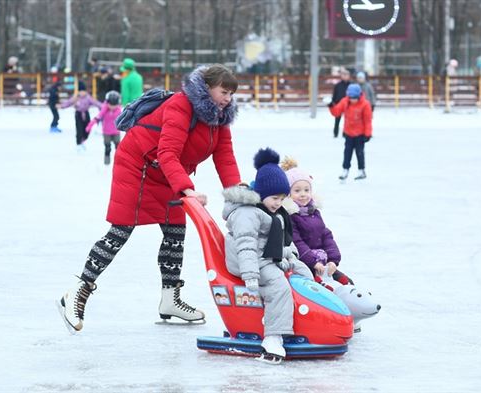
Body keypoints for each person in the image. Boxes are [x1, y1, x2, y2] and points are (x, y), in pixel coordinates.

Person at [58, 64, 241, 333]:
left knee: (176, 231)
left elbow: (224, 156)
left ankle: (170, 299)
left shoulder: (219, 116)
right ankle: (77, 292)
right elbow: (167, 152)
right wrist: (187, 189)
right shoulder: (181, 106)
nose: (227, 99)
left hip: (167, 173)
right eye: (223, 92)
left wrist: (238, 194)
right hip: (138, 166)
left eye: (231, 94)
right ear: (207, 87)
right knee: (121, 230)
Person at [222, 148, 314, 364]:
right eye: (274, 198)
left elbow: (280, 241)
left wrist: (290, 255)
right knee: (278, 285)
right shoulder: (247, 213)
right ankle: (273, 339)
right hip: (249, 262)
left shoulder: (273, 211)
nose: (278, 202)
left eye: (282, 198)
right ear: (262, 194)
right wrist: (250, 274)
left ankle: (315, 316)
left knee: (302, 270)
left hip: (266, 256)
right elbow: (246, 245)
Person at [279, 157, 352, 286]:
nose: (303, 194)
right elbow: (297, 242)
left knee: (346, 282)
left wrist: (333, 260)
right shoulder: (290, 216)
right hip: (305, 264)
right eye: (297, 190)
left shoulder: (314, 212)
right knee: (323, 287)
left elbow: (326, 235)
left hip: (322, 262)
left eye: (306, 190)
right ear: (288, 194)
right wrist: (313, 262)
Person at [329, 83, 372, 181]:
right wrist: (331, 105)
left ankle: (361, 170)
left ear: (359, 95)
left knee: (359, 153)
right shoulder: (345, 101)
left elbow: (368, 120)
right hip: (348, 133)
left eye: (355, 97)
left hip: (360, 134)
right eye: (351, 97)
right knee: (347, 152)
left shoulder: (365, 104)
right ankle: (345, 170)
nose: (352, 100)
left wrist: (368, 134)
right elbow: (336, 112)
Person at [59, 81, 102, 151]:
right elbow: (69, 102)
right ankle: (78, 144)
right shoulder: (76, 97)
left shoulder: (88, 97)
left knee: (87, 129)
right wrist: (61, 106)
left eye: (83, 91)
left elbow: (96, 103)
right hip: (78, 114)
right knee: (79, 129)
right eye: (80, 91)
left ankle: (83, 140)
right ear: (78, 91)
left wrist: (104, 106)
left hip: (86, 114)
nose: (82, 93)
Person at [85, 91, 122, 165]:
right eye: (110, 104)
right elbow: (97, 118)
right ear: (107, 102)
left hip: (116, 132)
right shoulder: (104, 109)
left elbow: (125, 120)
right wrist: (89, 126)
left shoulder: (119, 110)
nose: (112, 107)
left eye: (114, 105)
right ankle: (107, 163)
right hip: (106, 132)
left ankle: (119, 162)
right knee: (107, 147)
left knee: (118, 148)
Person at [330, 68, 351, 138]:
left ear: (349, 76)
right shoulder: (338, 85)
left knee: (347, 120)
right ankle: (335, 133)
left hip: (348, 105)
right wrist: (333, 103)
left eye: (346, 75)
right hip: (338, 104)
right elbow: (334, 95)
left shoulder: (351, 85)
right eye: (343, 75)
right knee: (337, 120)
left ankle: (345, 133)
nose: (345, 76)